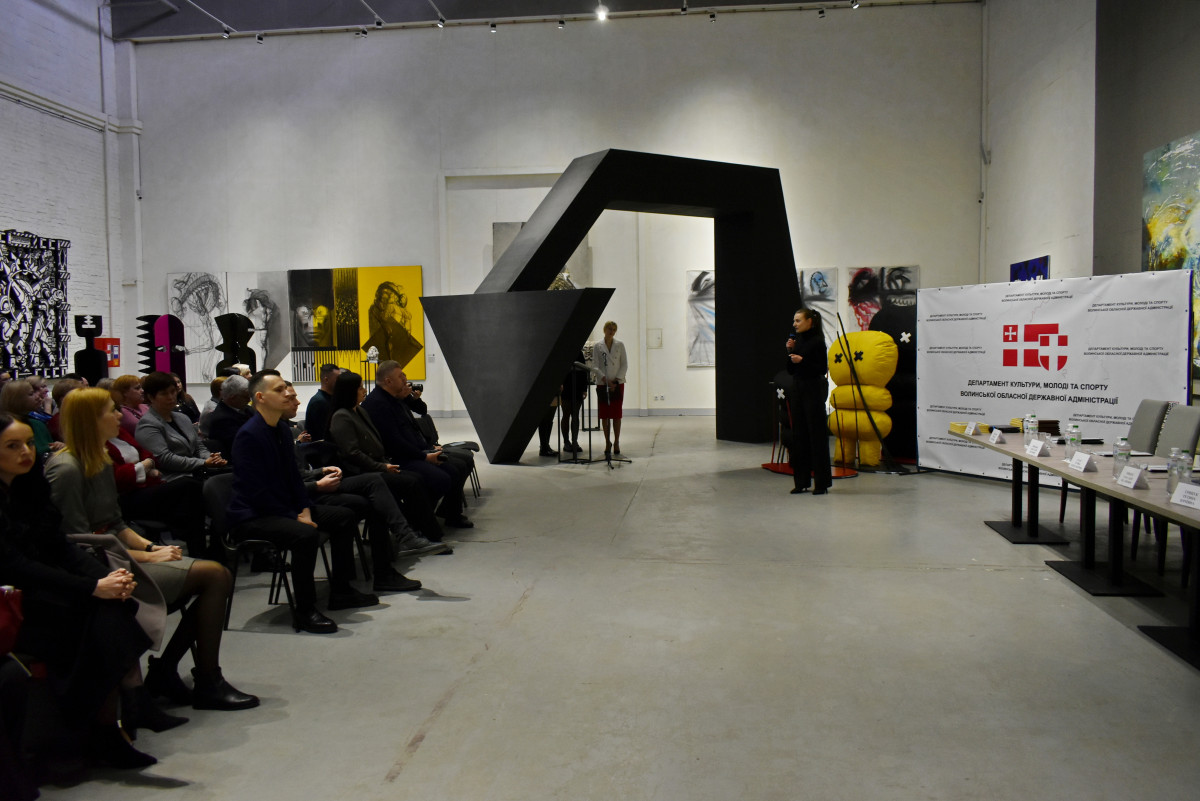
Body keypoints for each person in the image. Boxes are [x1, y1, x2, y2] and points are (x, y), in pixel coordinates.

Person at [47, 389, 259, 712]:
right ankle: (200, 678)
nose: (119, 417)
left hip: (116, 555)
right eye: (111, 411)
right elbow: (79, 544)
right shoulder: (66, 470)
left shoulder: (99, 461)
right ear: (90, 420)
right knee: (215, 575)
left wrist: (150, 546)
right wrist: (148, 556)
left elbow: (116, 524)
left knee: (216, 576)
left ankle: (175, 672)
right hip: (98, 570)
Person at [0, 411, 157, 769]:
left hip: (45, 587)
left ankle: (105, 725)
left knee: (113, 606)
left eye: (29, 443)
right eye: (12, 446)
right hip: (14, 600)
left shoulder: (30, 487)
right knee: (104, 615)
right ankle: (117, 716)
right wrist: (93, 587)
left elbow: (62, 546)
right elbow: (15, 566)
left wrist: (107, 579)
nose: (26, 452)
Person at [227, 371, 377, 634]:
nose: (287, 393)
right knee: (305, 535)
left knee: (344, 516)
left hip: (283, 508)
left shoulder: (281, 430)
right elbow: (258, 492)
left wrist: (305, 509)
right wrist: (295, 516)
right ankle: (305, 610)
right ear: (260, 397)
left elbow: (293, 479)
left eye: (285, 388)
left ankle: (341, 591)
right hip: (253, 515)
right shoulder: (249, 435)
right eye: (279, 390)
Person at [325, 371, 449, 557]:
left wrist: (384, 463)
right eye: (360, 387)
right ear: (349, 391)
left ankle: (420, 530)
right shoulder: (341, 416)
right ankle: (424, 534)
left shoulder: (359, 411)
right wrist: (382, 467)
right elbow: (353, 454)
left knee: (415, 479)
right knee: (411, 482)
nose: (364, 390)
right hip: (360, 472)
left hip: (378, 464)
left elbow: (374, 443)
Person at [361, 361, 473, 529]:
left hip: (415, 451)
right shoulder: (378, 403)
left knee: (458, 466)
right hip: (398, 458)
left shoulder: (395, 397)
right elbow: (394, 442)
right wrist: (424, 456)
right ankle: (418, 519)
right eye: (401, 376)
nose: (405, 380)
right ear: (388, 381)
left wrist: (427, 449)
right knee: (444, 477)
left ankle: (445, 514)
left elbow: (418, 415)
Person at [135, 371, 228, 480]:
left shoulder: (182, 418)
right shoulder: (147, 424)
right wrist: (203, 462)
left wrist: (212, 458)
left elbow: (199, 446)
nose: (171, 397)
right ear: (151, 397)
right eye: (164, 394)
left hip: (197, 472)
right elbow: (165, 459)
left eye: (173, 392)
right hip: (172, 478)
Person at [785, 308, 832, 496]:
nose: (795, 324)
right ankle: (801, 481)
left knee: (816, 436)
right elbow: (790, 369)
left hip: (813, 390)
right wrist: (790, 351)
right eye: (794, 321)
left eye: (798, 320)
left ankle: (821, 483)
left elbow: (821, 368)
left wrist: (802, 360)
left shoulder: (818, 342)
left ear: (809, 322)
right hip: (798, 389)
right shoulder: (798, 341)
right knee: (799, 435)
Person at [591, 321, 628, 455]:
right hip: (603, 384)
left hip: (617, 384)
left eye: (613, 329)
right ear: (604, 329)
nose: (611, 331)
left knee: (616, 414)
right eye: (609, 329)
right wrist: (605, 380)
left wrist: (616, 381)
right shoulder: (597, 346)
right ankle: (607, 442)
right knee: (605, 415)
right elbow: (595, 366)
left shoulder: (620, 345)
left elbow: (624, 364)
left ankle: (616, 441)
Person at [0, 379, 61, 458]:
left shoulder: (37, 423)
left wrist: (59, 446)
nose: (38, 397)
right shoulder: (6, 427)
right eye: (31, 394)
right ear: (16, 399)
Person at [204, 375, 252, 460]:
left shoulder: (246, 408)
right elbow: (243, 444)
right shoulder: (222, 419)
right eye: (246, 397)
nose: (249, 400)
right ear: (233, 397)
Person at [559, 351, 590, 454]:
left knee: (575, 415)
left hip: (578, 386)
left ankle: (574, 441)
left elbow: (584, 370)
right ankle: (566, 442)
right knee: (566, 414)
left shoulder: (579, 352)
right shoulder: (561, 352)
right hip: (565, 386)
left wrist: (584, 388)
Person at [304, 363, 340, 441]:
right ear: (326, 380)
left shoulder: (331, 399)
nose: (340, 382)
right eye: (338, 379)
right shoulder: (318, 402)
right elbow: (322, 434)